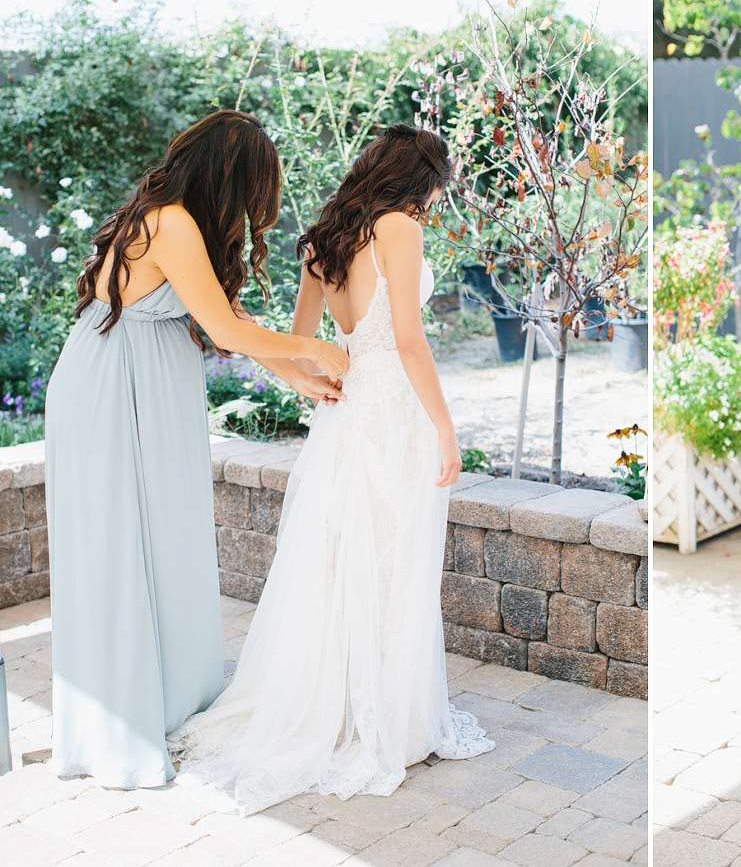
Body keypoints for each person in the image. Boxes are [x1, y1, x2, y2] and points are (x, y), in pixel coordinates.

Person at [169, 124, 494, 814]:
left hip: (343, 410)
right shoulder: (399, 228)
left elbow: (301, 342)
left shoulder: (324, 241)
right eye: (439, 184)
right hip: (391, 411)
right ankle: (379, 720)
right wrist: (445, 427)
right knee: (392, 559)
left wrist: (312, 384)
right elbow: (408, 339)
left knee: (340, 556)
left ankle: (340, 706)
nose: (438, 198)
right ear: (422, 179)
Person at [45, 110, 348, 788]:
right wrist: (314, 346)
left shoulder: (177, 220)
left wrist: (299, 379)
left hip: (143, 383)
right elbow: (223, 328)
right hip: (114, 388)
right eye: (253, 190)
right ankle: (120, 721)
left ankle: (167, 701)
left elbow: (229, 323)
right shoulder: (173, 221)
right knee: (122, 547)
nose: (253, 209)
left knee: (164, 542)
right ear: (230, 176)